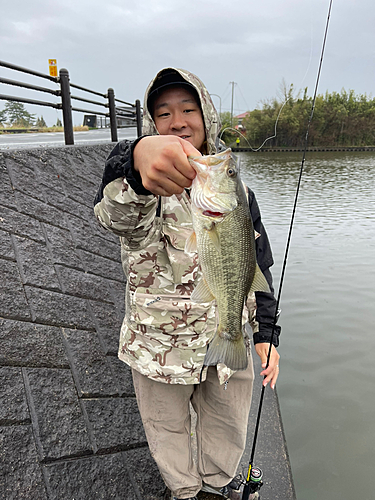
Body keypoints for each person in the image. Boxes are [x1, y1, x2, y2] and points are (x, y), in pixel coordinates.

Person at [94, 68, 281, 500]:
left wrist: (267, 334)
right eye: (163, 113)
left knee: (227, 423)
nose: (178, 121)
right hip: (157, 344)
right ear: (152, 125)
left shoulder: (236, 191)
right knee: (167, 429)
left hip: (224, 334)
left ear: (207, 115)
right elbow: (118, 218)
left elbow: (259, 264)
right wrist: (135, 162)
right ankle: (184, 491)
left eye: (188, 109)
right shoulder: (142, 186)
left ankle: (217, 487)